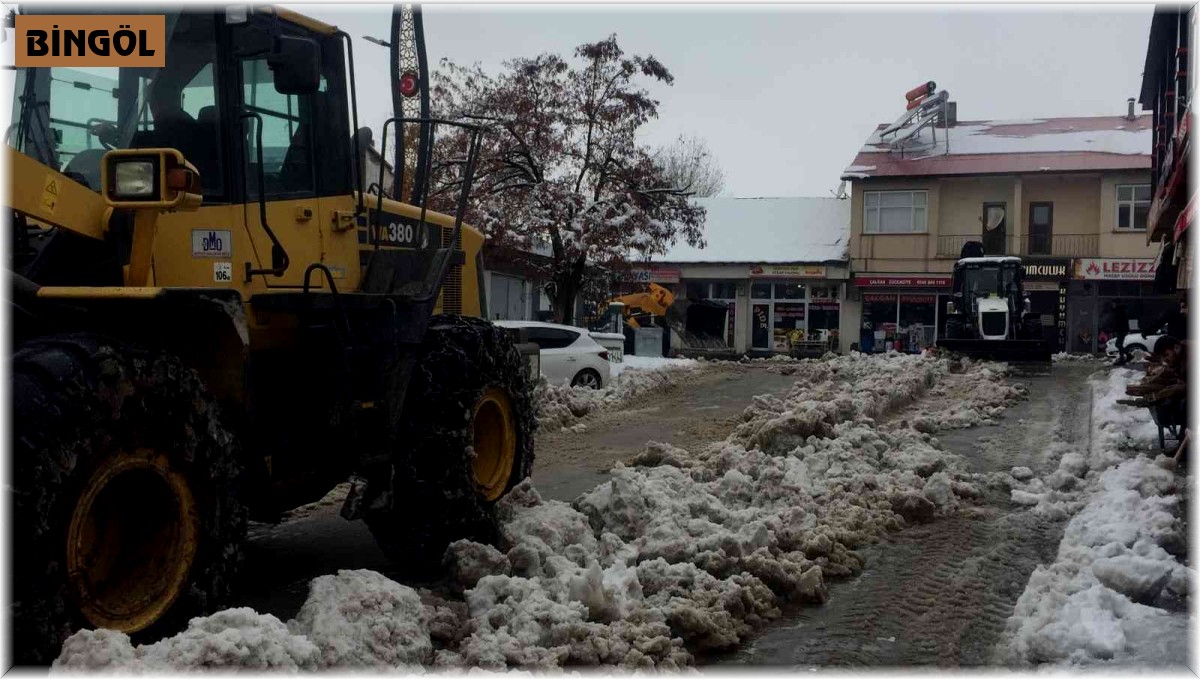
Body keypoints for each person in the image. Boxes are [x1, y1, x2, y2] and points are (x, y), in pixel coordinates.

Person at [1111, 300, 1131, 366]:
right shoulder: (1122, 311)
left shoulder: (1119, 311)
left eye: (1113, 303)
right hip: (1122, 330)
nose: (1112, 305)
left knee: (1118, 344)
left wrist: (1114, 329)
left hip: (1121, 330)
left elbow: (1117, 322)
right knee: (1119, 344)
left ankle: (1127, 355)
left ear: (1116, 304)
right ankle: (1122, 358)